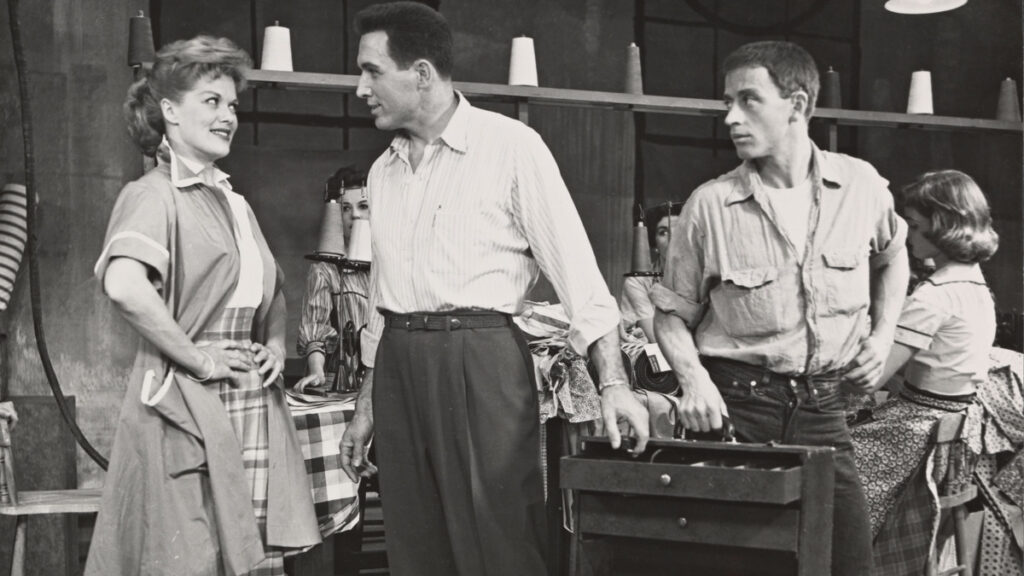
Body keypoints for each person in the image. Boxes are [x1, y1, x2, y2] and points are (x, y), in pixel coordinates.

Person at [338, 3, 649, 575]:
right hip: (400, 362)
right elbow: (384, 299)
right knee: (415, 542)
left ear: (423, 74)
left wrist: (614, 384)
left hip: (480, 359)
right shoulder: (383, 171)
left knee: (497, 537)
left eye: (372, 71)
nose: (361, 88)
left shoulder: (512, 147)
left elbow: (578, 274)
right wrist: (365, 407)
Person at [650, 41, 909, 576]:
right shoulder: (710, 206)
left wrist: (883, 336)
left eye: (748, 101)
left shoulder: (860, 186)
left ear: (796, 104)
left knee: (846, 564)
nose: (730, 118)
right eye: (728, 102)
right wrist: (694, 380)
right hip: (739, 412)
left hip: (824, 413)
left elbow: (893, 257)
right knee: (742, 565)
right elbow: (671, 312)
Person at [86, 36, 319, 576]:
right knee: (189, 557)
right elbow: (123, 286)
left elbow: (273, 289)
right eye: (211, 102)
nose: (228, 116)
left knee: (246, 558)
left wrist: (276, 345)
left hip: (247, 402)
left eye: (232, 104)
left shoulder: (233, 200)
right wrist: (200, 359)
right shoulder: (153, 194)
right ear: (169, 111)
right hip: (184, 404)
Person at [851, 170, 999, 573]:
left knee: (830, 463)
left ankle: (848, 561)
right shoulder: (973, 285)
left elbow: (874, 376)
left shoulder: (934, 296)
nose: (907, 237)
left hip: (918, 434)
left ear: (942, 225)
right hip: (950, 432)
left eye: (913, 226)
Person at [296, 165, 372, 392]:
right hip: (339, 380)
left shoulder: (389, 265)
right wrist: (316, 370)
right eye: (345, 208)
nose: (355, 215)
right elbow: (315, 325)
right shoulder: (325, 270)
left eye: (364, 206)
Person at [620, 202, 682, 343]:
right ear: (654, 244)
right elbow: (657, 338)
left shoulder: (702, 279)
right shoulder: (638, 282)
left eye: (679, 231)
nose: (672, 239)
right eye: (663, 232)